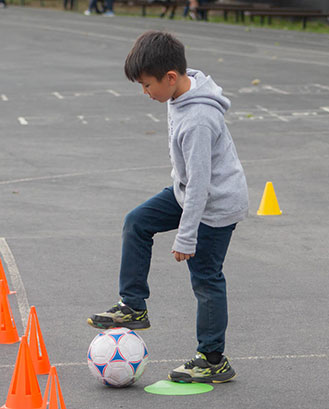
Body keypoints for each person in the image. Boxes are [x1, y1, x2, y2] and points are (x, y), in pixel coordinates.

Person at [87, 31, 249, 384]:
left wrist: (186, 238)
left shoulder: (199, 120)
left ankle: (213, 359)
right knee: (137, 222)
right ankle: (133, 305)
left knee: (205, 278)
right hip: (186, 192)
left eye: (147, 86)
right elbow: (191, 179)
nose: (145, 93)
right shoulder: (181, 90)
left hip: (215, 204)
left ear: (171, 77)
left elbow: (202, 186)